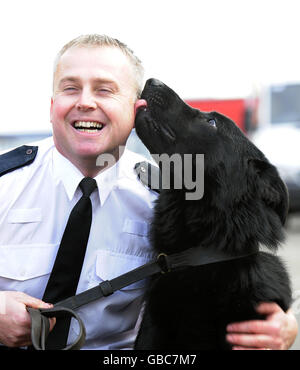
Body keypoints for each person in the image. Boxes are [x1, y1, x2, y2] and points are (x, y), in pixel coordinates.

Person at [0, 34, 297, 350]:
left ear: (135, 109)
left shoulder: (169, 197)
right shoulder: (6, 182)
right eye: (70, 88)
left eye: (105, 90)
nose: (85, 101)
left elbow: (235, 271)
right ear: (51, 106)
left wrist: (285, 324)